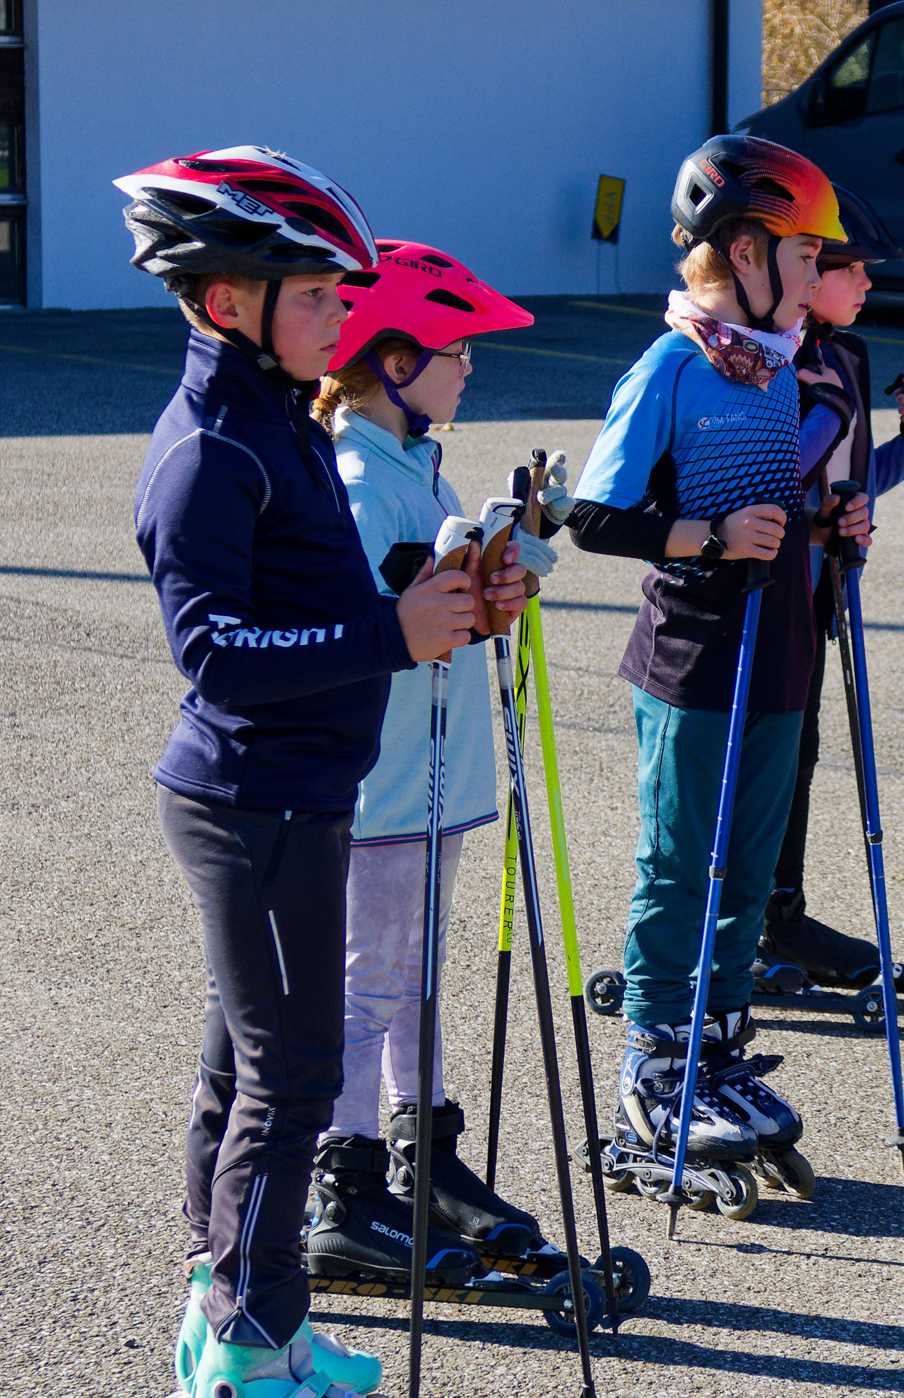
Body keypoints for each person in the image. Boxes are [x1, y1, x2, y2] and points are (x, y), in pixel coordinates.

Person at [120, 146, 503, 1398]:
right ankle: (248, 1355)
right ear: (229, 300)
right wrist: (391, 634)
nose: (346, 312)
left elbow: (318, 599)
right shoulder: (209, 450)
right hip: (254, 799)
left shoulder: (279, 417)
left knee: (246, 1070)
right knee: (289, 1081)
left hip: (297, 792)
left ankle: (234, 1327)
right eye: (320, 294)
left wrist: (442, 598)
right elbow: (216, 650)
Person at [563, 136, 866, 1197]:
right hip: (695, 656)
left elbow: (773, 501)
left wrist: (825, 519)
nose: (819, 272)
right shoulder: (672, 366)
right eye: (807, 251)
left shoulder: (779, 362)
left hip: (780, 647)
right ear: (745, 251)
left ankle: (719, 1047)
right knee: (679, 864)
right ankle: (654, 1066)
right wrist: (711, 537)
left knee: (748, 868)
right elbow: (594, 516)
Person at [305, 239, 558, 1280]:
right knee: (370, 982)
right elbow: (362, 630)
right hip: (386, 785)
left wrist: (494, 583)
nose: (469, 368)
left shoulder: (418, 464)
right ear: (397, 362)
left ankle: (423, 1151)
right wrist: (445, 601)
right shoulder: (360, 479)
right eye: (458, 352)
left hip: (435, 777)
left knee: (414, 976)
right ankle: (344, 1180)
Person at [762, 183, 904, 988]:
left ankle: (780, 913)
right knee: (759, 758)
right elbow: (765, 485)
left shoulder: (848, 355)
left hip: (820, 593)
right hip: (761, 593)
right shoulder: (768, 356)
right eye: (854, 269)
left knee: (798, 755)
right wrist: (821, 506)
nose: (867, 284)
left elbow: (854, 479)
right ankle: (739, 922)